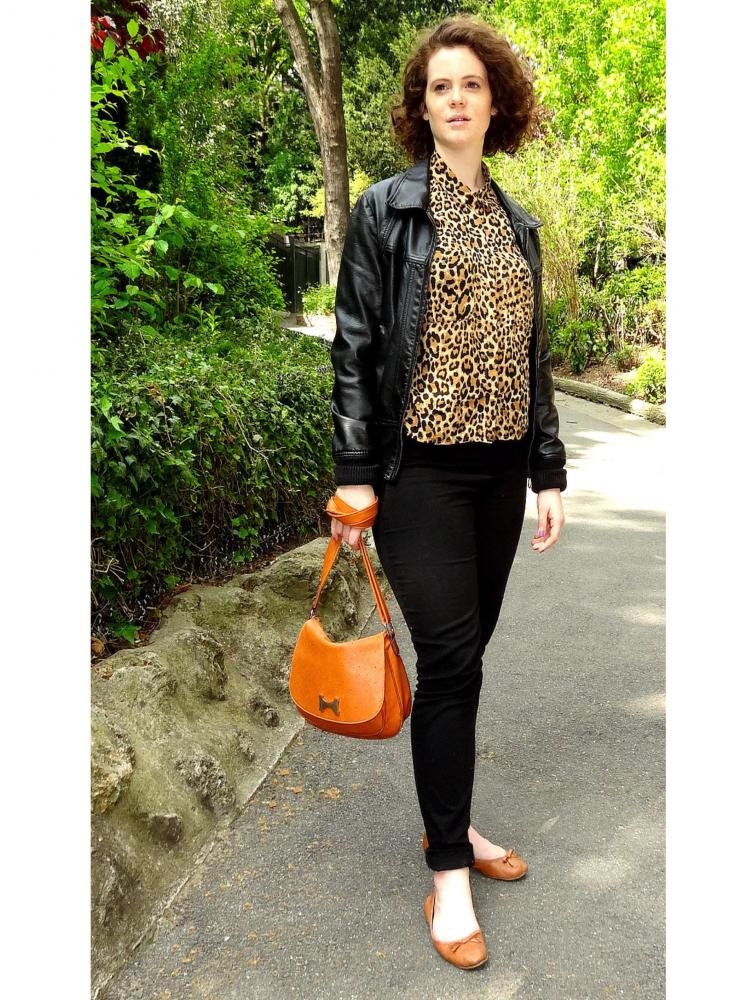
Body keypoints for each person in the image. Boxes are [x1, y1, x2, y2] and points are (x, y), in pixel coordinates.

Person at [328, 15, 567, 970]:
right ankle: (448, 874)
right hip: (419, 471)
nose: (457, 99)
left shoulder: (518, 222)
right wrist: (354, 474)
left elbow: (532, 357)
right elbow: (355, 346)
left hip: (499, 474)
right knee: (452, 658)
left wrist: (547, 469)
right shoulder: (387, 209)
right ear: (420, 107)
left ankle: (454, 821)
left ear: (496, 101)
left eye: (472, 84)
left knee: (464, 667)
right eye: (440, 87)